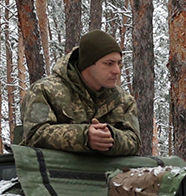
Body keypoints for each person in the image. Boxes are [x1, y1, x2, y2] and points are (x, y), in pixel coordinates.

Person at [14, 30, 142, 155]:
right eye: (109, 64)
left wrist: (111, 137)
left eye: (119, 63)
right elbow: (35, 135)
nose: (116, 70)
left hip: (109, 174)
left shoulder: (123, 100)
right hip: (52, 173)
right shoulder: (45, 91)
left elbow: (134, 141)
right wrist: (83, 136)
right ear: (88, 64)